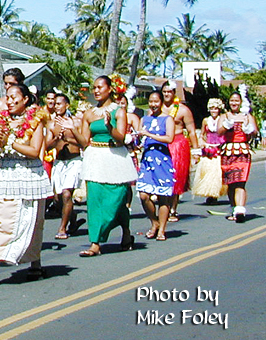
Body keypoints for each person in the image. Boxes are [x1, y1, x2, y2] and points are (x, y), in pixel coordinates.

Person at [0, 83, 51, 286]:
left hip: (29, 175)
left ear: (25, 99)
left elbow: (35, 151)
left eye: (14, 97)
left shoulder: (36, 120)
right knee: (3, 220)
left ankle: (36, 263)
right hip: (6, 175)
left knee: (32, 221)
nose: (9, 101)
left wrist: (11, 141)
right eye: (7, 97)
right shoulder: (2, 120)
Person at [73, 75, 136, 258]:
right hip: (95, 158)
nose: (96, 90)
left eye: (100, 87)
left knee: (116, 198)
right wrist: (73, 129)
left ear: (110, 89)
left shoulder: (119, 111)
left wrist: (109, 127)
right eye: (94, 87)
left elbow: (121, 137)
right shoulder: (89, 114)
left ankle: (125, 230)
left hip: (115, 156)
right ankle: (95, 242)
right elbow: (84, 141)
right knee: (94, 200)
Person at [135, 90, 175, 241]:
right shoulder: (144, 119)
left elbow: (169, 138)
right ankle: (154, 222)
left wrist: (150, 135)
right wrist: (137, 138)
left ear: (161, 102)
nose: (153, 105)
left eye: (156, 102)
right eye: (151, 102)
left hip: (162, 159)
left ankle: (162, 230)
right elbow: (139, 140)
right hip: (147, 159)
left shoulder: (167, 119)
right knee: (144, 195)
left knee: (163, 196)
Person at [160, 81, 199, 221]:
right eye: (164, 91)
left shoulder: (183, 110)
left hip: (178, 144)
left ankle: (173, 209)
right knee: (162, 177)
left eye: (169, 91)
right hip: (161, 143)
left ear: (174, 93)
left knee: (175, 177)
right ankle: (163, 206)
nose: (166, 94)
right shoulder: (157, 108)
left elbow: (192, 131)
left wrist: (196, 151)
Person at [218, 91, 257, 222]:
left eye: (236, 101)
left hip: (242, 150)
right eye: (232, 100)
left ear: (240, 102)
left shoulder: (247, 116)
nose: (234, 103)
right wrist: (227, 124)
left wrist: (248, 128)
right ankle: (234, 207)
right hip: (228, 151)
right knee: (231, 183)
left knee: (240, 181)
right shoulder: (224, 116)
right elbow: (219, 132)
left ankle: (240, 209)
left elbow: (255, 132)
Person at [49, 93, 83, 239]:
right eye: (55, 104)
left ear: (67, 105)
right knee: (57, 199)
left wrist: (69, 139)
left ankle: (62, 228)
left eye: (59, 104)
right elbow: (46, 145)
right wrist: (57, 139)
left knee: (67, 194)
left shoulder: (76, 122)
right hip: (59, 162)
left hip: (74, 161)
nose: (56, 106)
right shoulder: (51, 124)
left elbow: (84, 143)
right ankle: (72, 217)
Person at [192, 98, 227, 204]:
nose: (214, 111)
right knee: (208, 172)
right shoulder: (206, 121)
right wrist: (202, 142)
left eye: (216, 109)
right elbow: (202, 134)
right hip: (208, 148)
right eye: (212, 109)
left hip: (219, 148)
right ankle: (209, 193)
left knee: (217, 173)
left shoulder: (222, 120)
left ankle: (215, 193)